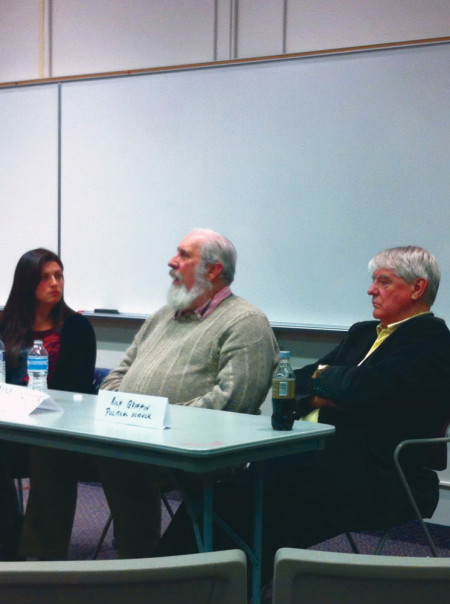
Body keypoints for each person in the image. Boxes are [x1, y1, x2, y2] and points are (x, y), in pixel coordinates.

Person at [157, 245, 450, 582]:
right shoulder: (362, 333)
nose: (371, 290)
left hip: (376, 473)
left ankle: (219, 586)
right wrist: (332, 389)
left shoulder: (432, 341)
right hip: (310, 458)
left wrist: (326, 381)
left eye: (384, 282)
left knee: (252, 508)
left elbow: (367, 390)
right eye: (373, 281)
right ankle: (170, 583)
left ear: (417, 288)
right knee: (217, 498)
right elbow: (292, 380)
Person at [19, 229, 279, 560]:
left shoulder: (247, 322)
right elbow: (116, 377)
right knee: (51, 446)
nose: (172, 261)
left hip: (194, 447)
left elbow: (232, 402)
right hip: (129, 435)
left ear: (213, 270)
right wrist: (130, 416)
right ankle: (40, 565)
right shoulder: (163, 316)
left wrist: (157, 422)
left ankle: (140, 567)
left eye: (184, 255)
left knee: (122, 458)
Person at [0, 248, 96, 559]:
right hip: (9, 426)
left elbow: (78, 392)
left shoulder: (77, 329)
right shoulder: (5, 324)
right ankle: (7, 542)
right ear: (26, 283)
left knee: (47, 451)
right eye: (45, 277)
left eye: (59, 275)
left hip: (53, 431)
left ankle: (39, 555)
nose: (55, 283)